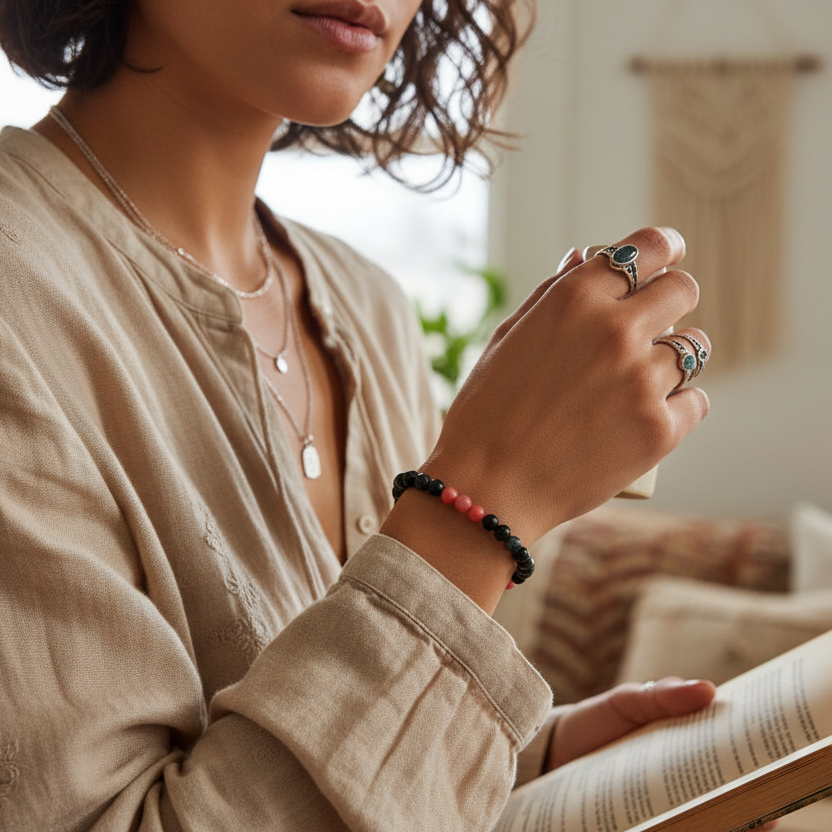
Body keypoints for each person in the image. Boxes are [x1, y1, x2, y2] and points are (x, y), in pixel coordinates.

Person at [0, 0, 777, 829]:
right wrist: (480, 505)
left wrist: (531, 765)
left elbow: (325, 723)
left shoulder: (368, 306)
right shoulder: (22, 300)